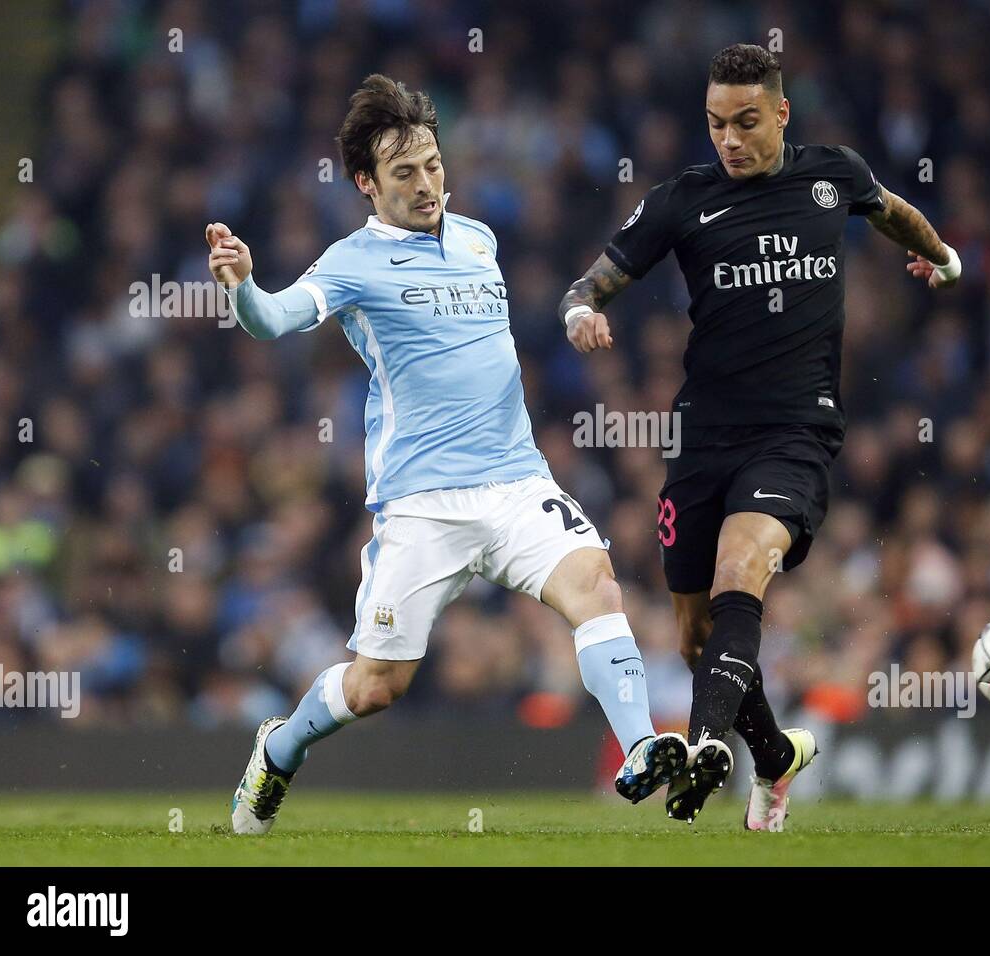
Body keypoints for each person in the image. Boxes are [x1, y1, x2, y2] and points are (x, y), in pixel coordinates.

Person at [210, 75, 686, 835]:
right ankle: (279, 747)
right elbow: (272, 321)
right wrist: (241, 286)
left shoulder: (478, 238)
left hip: (515, 483)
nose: (428, 183)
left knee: (596, 584)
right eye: (405, 172)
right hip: (422, 504)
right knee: (375, 688)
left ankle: (641, 748)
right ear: (366, 183)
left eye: (432, 164)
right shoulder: (352, 261)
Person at [558, 44, 961, 827]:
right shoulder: (683, 200)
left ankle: (706, 744)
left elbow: (891, 210)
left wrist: (941, 258)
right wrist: (581, 312)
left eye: (746, 122)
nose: (730, 140)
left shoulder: (831, 174)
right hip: (704, 438)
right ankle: (775, 758)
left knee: (741, 568)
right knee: (693, 636)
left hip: (796, 435)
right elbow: (594, 278)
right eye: (716, 125)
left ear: (780, 113)